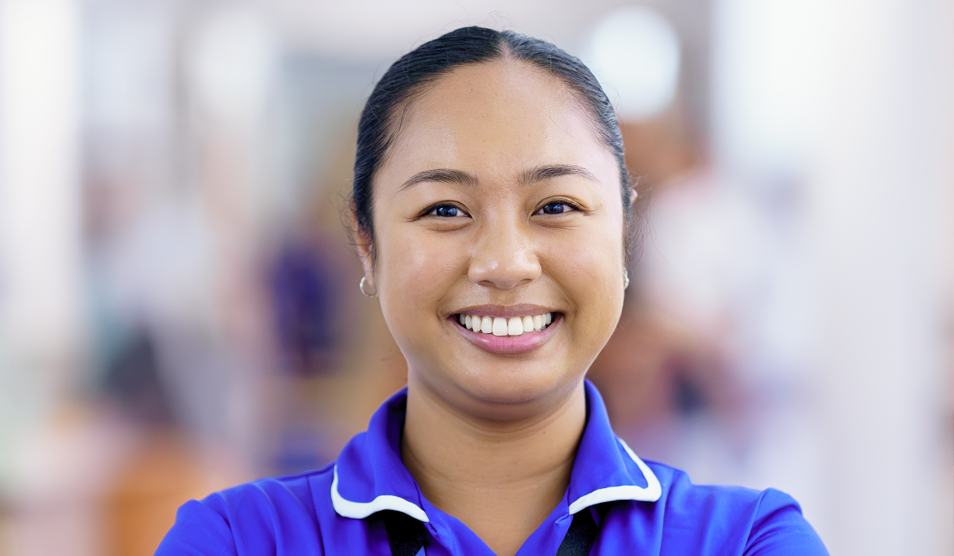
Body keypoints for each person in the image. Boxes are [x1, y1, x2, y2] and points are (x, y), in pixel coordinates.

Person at [155, 26, 828, 556]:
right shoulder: (239, 541)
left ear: (623, 233)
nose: (505, 263)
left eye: (557, 205)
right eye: (445, 210)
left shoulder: (745, 541)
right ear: (368, 243)